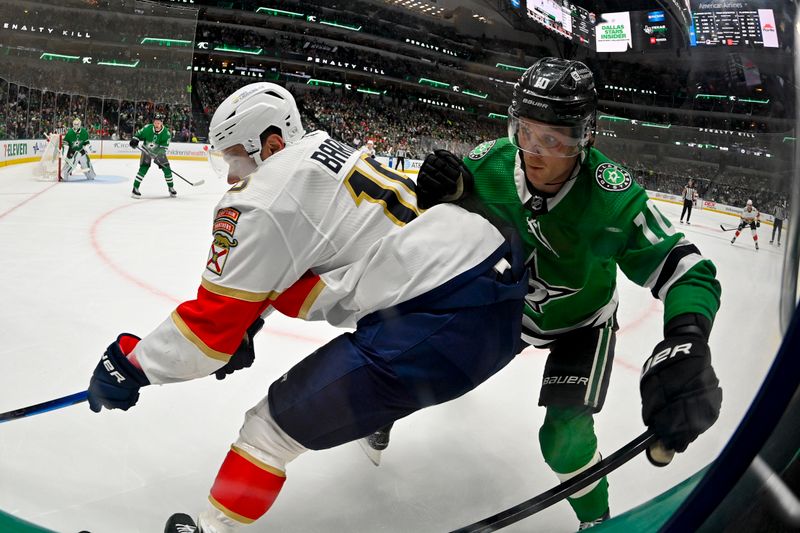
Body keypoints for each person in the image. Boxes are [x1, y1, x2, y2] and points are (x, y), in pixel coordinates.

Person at [86, 82, 528, 532]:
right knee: (356, 366)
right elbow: (300, 258)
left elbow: (205, 337)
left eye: (235, 157)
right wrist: (251, 324)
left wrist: (130, 365)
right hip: (496, 291)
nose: (230, 175)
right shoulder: (322, 150)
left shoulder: (259, 201)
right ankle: (384, 412)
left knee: (268, 430)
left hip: (442, 322)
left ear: (272, 144)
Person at [371, 58, 723, 530]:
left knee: (563, 438)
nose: (534, 153)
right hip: (507, 307)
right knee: (422, 357)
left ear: (585, 138)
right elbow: (445, 223)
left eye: (554, 140)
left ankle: (596, 521)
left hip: (582, 325)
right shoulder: (489, 163)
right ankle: (384, 407)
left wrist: (688, 336)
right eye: (526, 132)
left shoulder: (611, 198)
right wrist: (443, 195)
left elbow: (688, 268)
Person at [129, 112, 175, 199]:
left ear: (162, 123)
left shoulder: (166, 133)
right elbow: (138, 135)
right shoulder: (147, 128)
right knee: (144, 168)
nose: (156, 124)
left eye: (158, 123)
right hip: (146, 151)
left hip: (158, 153)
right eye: (155, 122)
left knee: (167, 168)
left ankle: (171, 187)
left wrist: (158, 156)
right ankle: (135, 188)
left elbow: (163, 148)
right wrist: (135, 140)